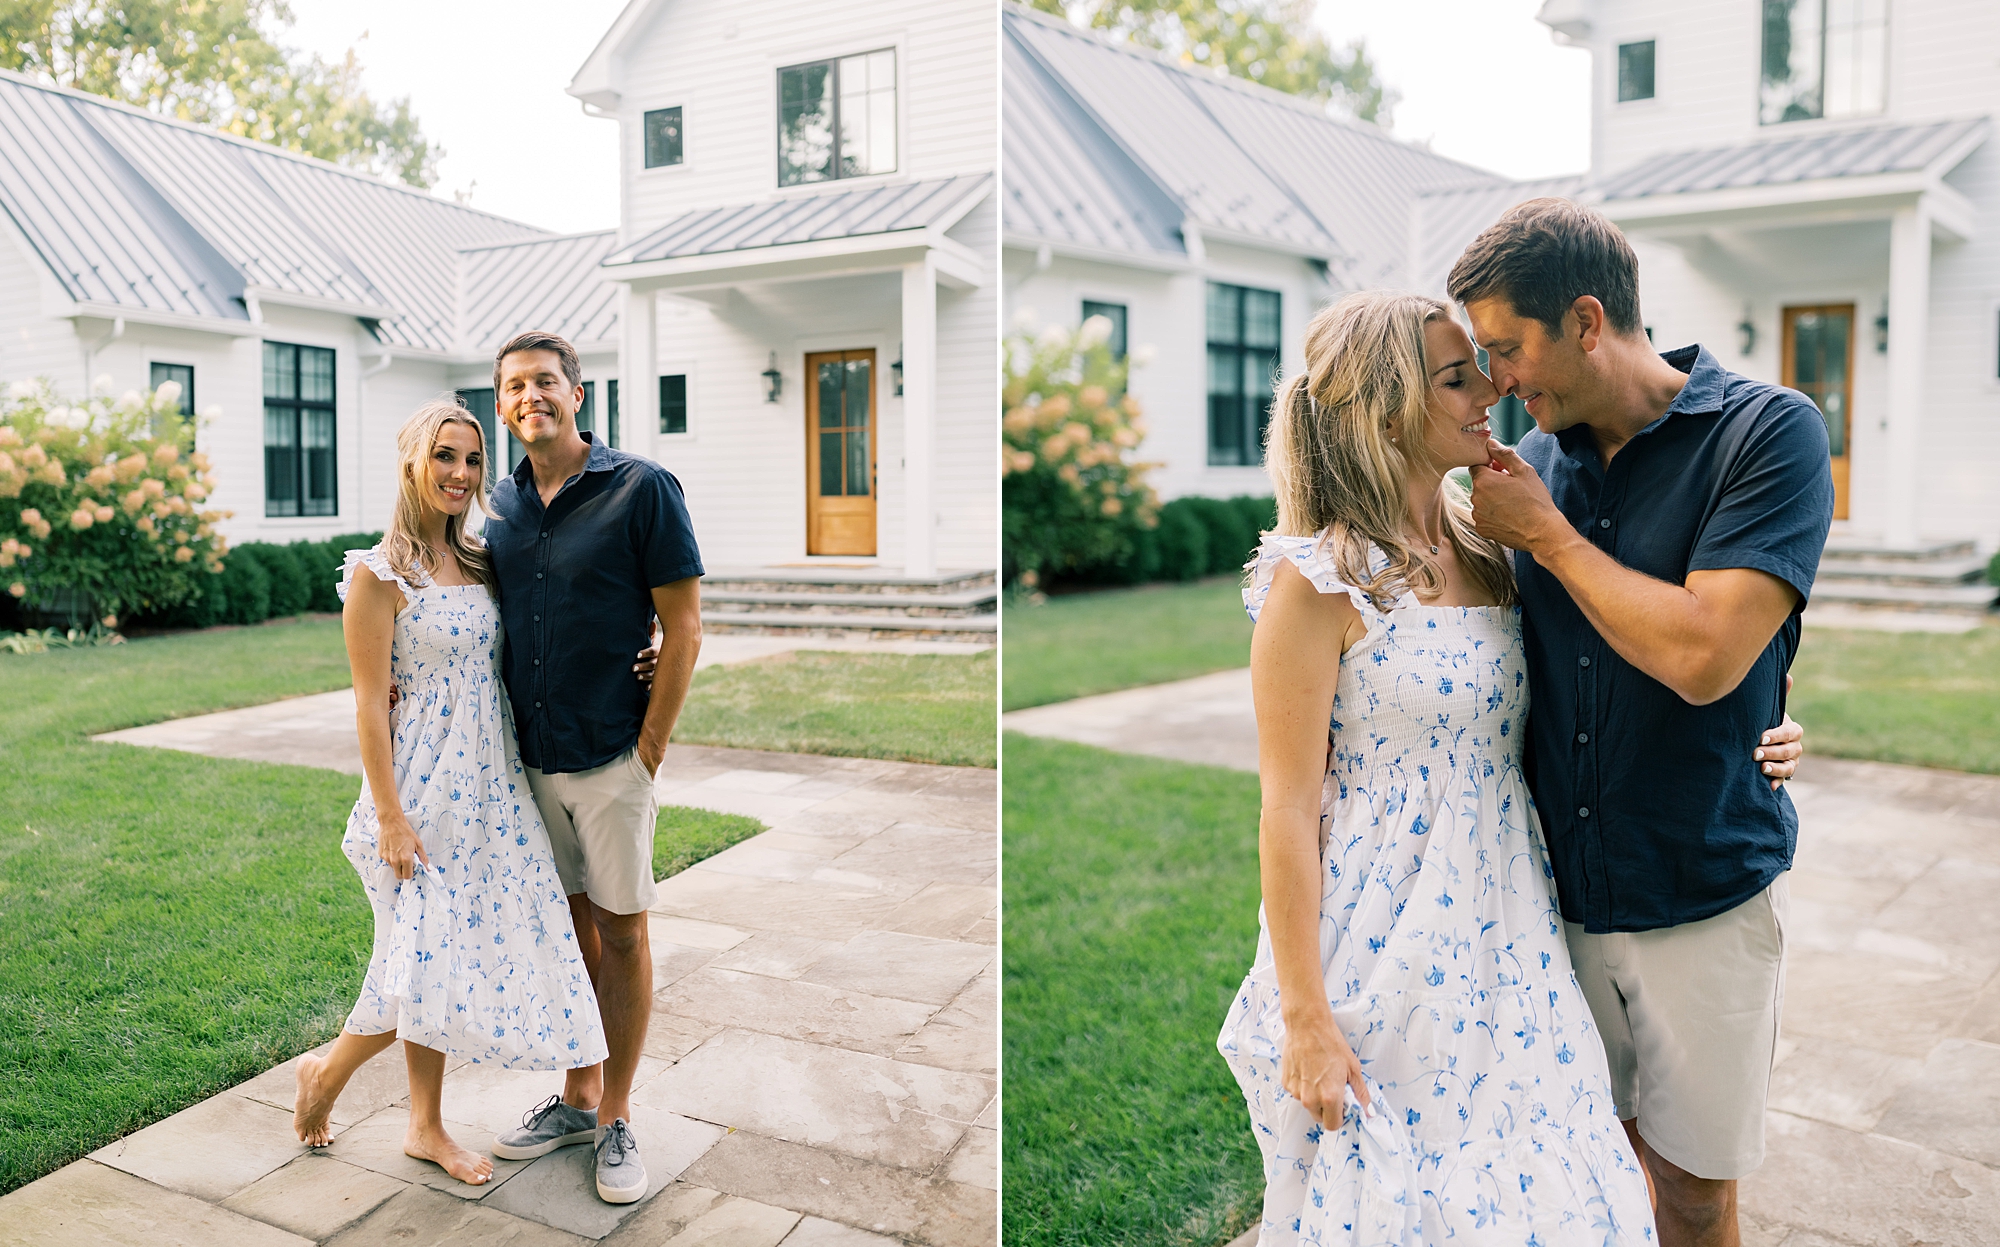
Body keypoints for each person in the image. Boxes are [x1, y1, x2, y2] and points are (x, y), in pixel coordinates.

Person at [1215, 290, 1801, 1245]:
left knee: (1561, 1188)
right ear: (1384, 405)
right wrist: (1304, 1015)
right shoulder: (1315, 581)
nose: (1490, 388)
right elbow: (1285, 809)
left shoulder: (1493, 541)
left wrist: (1762, 721)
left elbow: (1598, 669)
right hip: (1384, 921)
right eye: (1457, 376)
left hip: (1515, 915)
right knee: (1412, 1198)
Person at [1452, 199, 1835, 1247]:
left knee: (1694, 1190)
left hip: (1698, 884)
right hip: (1552, 897)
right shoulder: (1524, 462)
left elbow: (1706, 652)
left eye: (1504, 348)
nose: (1497, 380)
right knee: (1598, 1173)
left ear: (1583, 319)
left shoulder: (1769, 430)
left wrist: (1552, 537)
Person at [292, 399, 607, 1185]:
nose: (462, 474)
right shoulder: (376, 573)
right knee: (417, 961)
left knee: (441, 964)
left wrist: (645, 645)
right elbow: (369, 703)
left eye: (471, 459)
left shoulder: (480, 561)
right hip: (420, 797)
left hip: (492, 792)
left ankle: (422, 1126)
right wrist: (392, 817)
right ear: (411, 461)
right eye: (444, 457)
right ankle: (327, 1077)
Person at [478, 331, 704, 1206]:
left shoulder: (641, 488)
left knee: (622, 931)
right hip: (532, 759)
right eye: (513, 386)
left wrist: (648, 751)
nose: (530, 395)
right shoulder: (496, 504)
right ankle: (575, 1095)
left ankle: (616, 1114)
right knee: (569, 929)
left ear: (576, 392)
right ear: (501, 406)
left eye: (545, 381)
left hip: (612, 754)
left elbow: (682, 627)